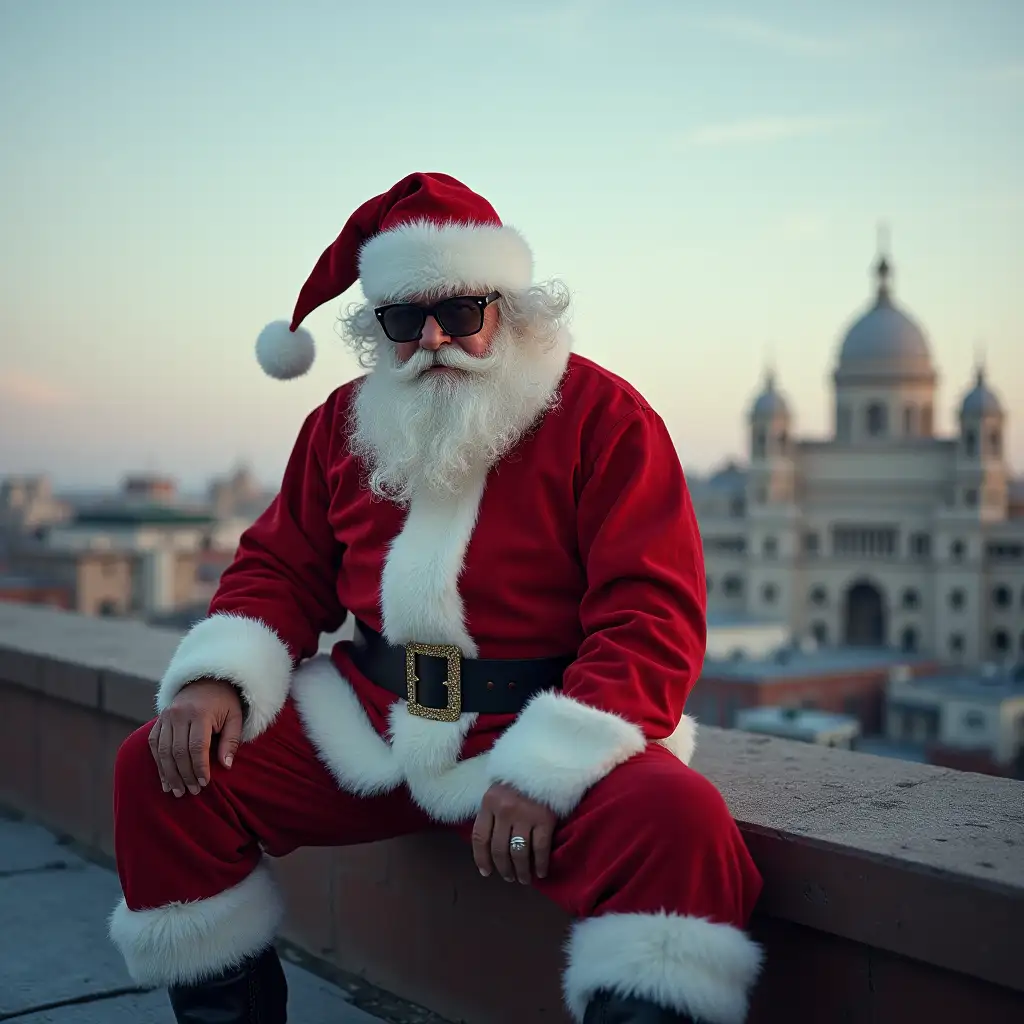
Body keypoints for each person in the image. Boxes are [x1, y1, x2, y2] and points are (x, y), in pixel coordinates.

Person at [108, 172, 764, 1024]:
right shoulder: (339, 424)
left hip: (534, 725)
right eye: (404, 320)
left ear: (509, 309)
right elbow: (278, 567)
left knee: (682, 826)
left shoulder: (606, 417)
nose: (434, 339)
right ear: (377, 328)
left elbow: (652, 615)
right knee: (162, 772)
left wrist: (549, 769)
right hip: (369, 716)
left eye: (460, 313)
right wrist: (215, 681)